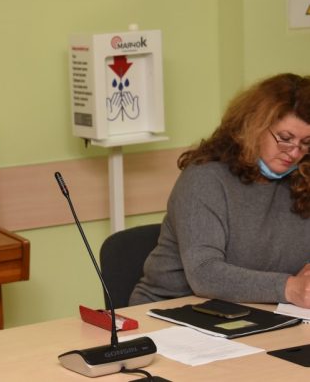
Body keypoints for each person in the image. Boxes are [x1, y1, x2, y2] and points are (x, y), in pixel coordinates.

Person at [130, 73, 310, 307]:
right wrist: (289, 288)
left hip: (260, 311)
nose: (294, 152)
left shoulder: (302, 176)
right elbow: (204, 274)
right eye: (285, 138)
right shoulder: (205, 178)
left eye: (306, 143)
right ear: (254, 127)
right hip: (174, 311)